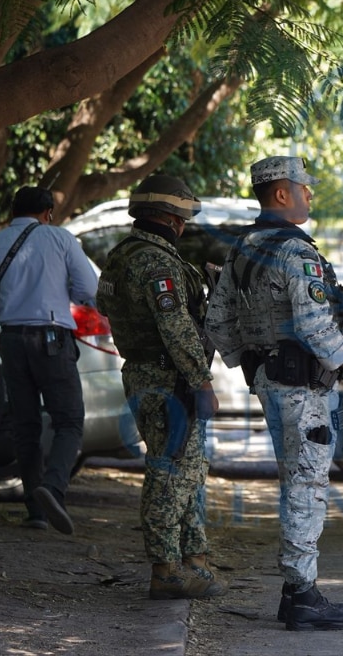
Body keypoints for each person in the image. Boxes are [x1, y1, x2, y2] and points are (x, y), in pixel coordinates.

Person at [205, 155, 343, 632]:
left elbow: (218, 324)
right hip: (302, 388)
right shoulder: (296, 252)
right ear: (282, 193)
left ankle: (297, 592)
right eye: (304, 188)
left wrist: (253, 368)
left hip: (273, 384)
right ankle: (301, 595)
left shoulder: (242, 249)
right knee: (306, 487)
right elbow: (316, 325)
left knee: (296, 482)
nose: (309, 196)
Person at [95, 174, 224, 600]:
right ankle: (166, 569)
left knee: (185, 471)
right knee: (170, 475)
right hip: (168, 379)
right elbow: (175, 326)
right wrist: (201, 380)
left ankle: (193, 559)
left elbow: (106, 305)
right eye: (182, 217)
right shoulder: (158, 263)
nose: (184, 226)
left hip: (144, 373)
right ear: (168, 218)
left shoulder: (120, 255)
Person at [0, 185, 98, 535]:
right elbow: (88, 289)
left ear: (13, 212)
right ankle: (52, 488)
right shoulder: (60, 239)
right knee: (69, 421)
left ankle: (35, 512)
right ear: (47, 213)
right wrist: (62, 291)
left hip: (10, 338)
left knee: (25, 426)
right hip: (52, 339)